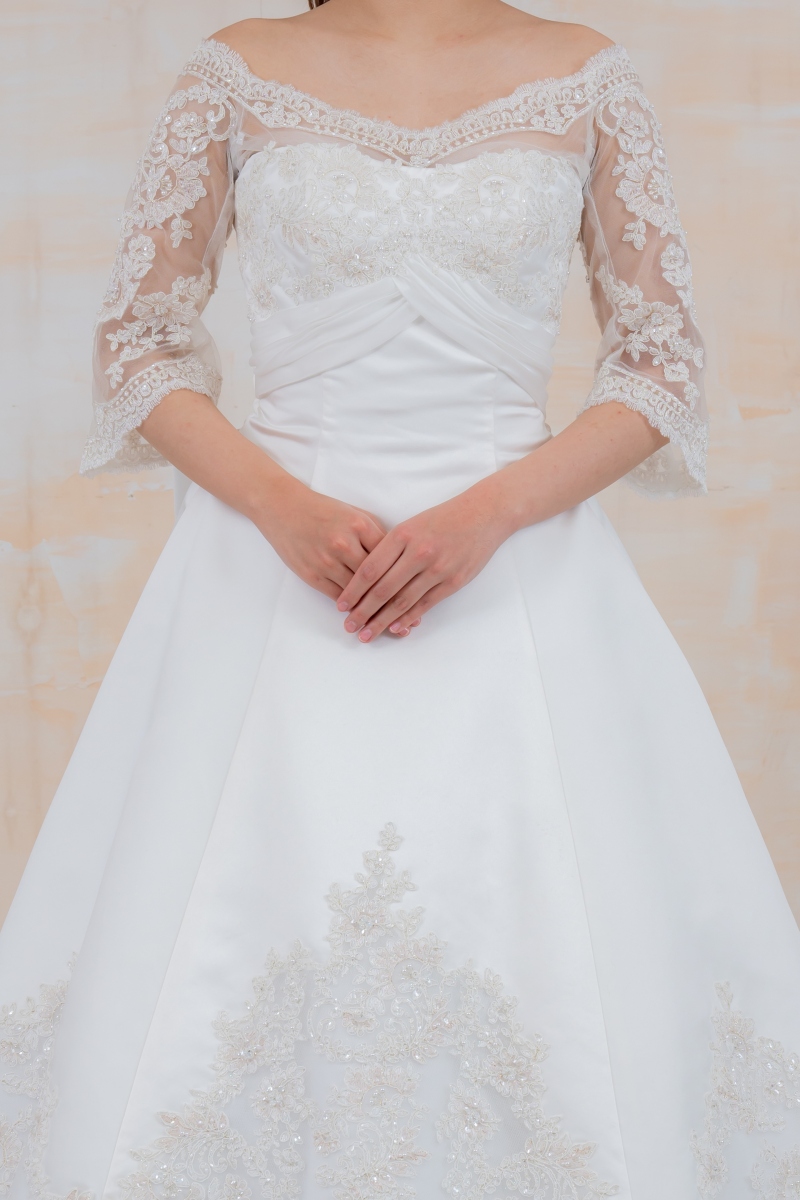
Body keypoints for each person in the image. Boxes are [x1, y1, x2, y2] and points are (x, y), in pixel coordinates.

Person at [2, 1, 799, 1196]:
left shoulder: (585, 74)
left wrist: (489, 513)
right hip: (268, 571)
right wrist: (281, 507)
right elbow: (137, 346)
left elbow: (659, 362)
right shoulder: (236, 68)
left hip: (517, 564)